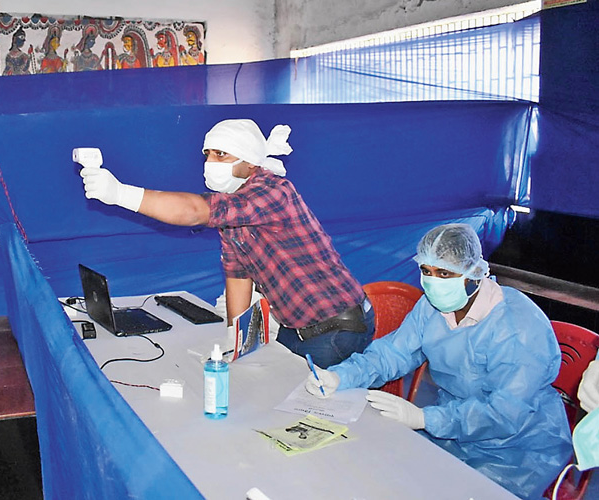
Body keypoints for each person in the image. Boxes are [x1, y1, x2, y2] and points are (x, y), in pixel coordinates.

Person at [305, 223, 572, 499]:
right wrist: (341, 376)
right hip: (450, 428)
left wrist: (424, 417)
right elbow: (394, 353)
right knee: (385, 475)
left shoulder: (517, 328)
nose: (433, 282)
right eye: (426, 271)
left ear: (474, 274)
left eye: (444, 273)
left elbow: (505, 414)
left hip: (516, 450)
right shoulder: (432, 307)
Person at [79, 119, 374, 367]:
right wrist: (236, 337)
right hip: (297, 328)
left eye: (221, 154)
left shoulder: (272, 192)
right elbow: (238, 277)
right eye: (207, 154)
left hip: (335, 329)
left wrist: (119, 194)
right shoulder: (236, 210)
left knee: (317, 417)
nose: (210, 163)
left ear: (249, 162)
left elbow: (196, 211)